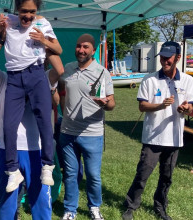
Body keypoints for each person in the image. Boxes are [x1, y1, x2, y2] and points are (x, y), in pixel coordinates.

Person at [0, 27, 61, 220]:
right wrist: (0, 40)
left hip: (37, 150)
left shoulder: (44, 79)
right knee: (7, 201)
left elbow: (59, 69)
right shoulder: (5, 80)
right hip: (8, 150)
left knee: (41, 202)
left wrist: (45, 42)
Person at [0, 0, 64, 192]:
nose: (28, 16)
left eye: (32, 12)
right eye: (24, 11)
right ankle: (12, 171)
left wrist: (43, 40)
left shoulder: (42, 23)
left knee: (44, 122)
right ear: (17, 9)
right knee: (8, 124)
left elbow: (58, 50)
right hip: (15, 78)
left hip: (37, 74)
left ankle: (47, 166)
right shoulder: (8, 21)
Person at [122, 41, 193, 220]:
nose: (164, 61)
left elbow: (191, 108)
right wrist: (160, 105)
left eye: (168, 57)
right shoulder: (150, 79)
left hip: (174, 139)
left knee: (167, 177)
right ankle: (131, 206)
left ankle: (160, 207)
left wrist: (185, 109)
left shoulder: (188, 80)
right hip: (153, 138)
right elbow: (142, 106)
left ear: (178, 57)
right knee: (142, 174)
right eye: (162, 57)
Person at [58, 33, 115, 220]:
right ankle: (70, 210)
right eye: (78, 46)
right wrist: (64, 110)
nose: (81, 50)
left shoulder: (102, 72)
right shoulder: (67, 68)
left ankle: (94, 207)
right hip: (67, 132)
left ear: (93, 50)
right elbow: (61, 89)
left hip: (92, 133)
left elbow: (112, 104)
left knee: (93, 175)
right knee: (71, 174)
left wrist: (105, 103)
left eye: (85, 47)